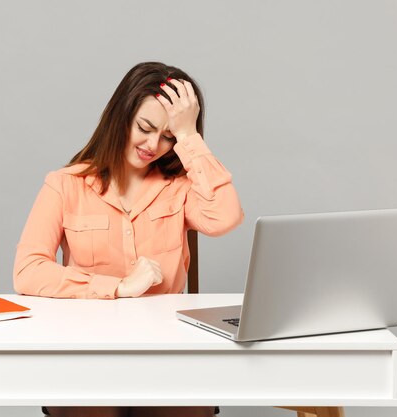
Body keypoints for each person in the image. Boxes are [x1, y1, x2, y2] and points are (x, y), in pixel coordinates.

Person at [13, 62, 244, 417]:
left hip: (167, 353)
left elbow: (225, 218)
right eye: (146, 128)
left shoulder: (180, 189)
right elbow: (28, 271)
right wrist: (118, 286)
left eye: (168, 136)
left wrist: (189, 138)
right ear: (121, 116)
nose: (154, 145)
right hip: (86, 350)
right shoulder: (64, 185)